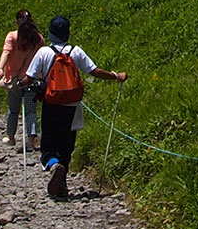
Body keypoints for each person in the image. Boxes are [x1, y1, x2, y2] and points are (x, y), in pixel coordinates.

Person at [25, 15, 127, 202]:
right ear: (68, 33)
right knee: (66, 146)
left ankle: (54, 167)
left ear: (50, 33)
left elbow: (29, 78)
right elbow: (94, 71)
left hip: (51, 104)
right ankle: (62, 182)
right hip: (72, 107)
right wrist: (116, 76)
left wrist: (17, 85)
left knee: (48, 147)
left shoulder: (44, 53)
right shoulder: (76, 51)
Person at [0, 10, 45, 148]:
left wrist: (0, 68)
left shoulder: (12, 36)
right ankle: (30, 141)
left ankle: (11, 137)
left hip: (15, 80)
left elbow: (6, 52)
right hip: (31, 79)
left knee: (13, 110)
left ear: (17, 21)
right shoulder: (39, 38)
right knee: (31, 111)